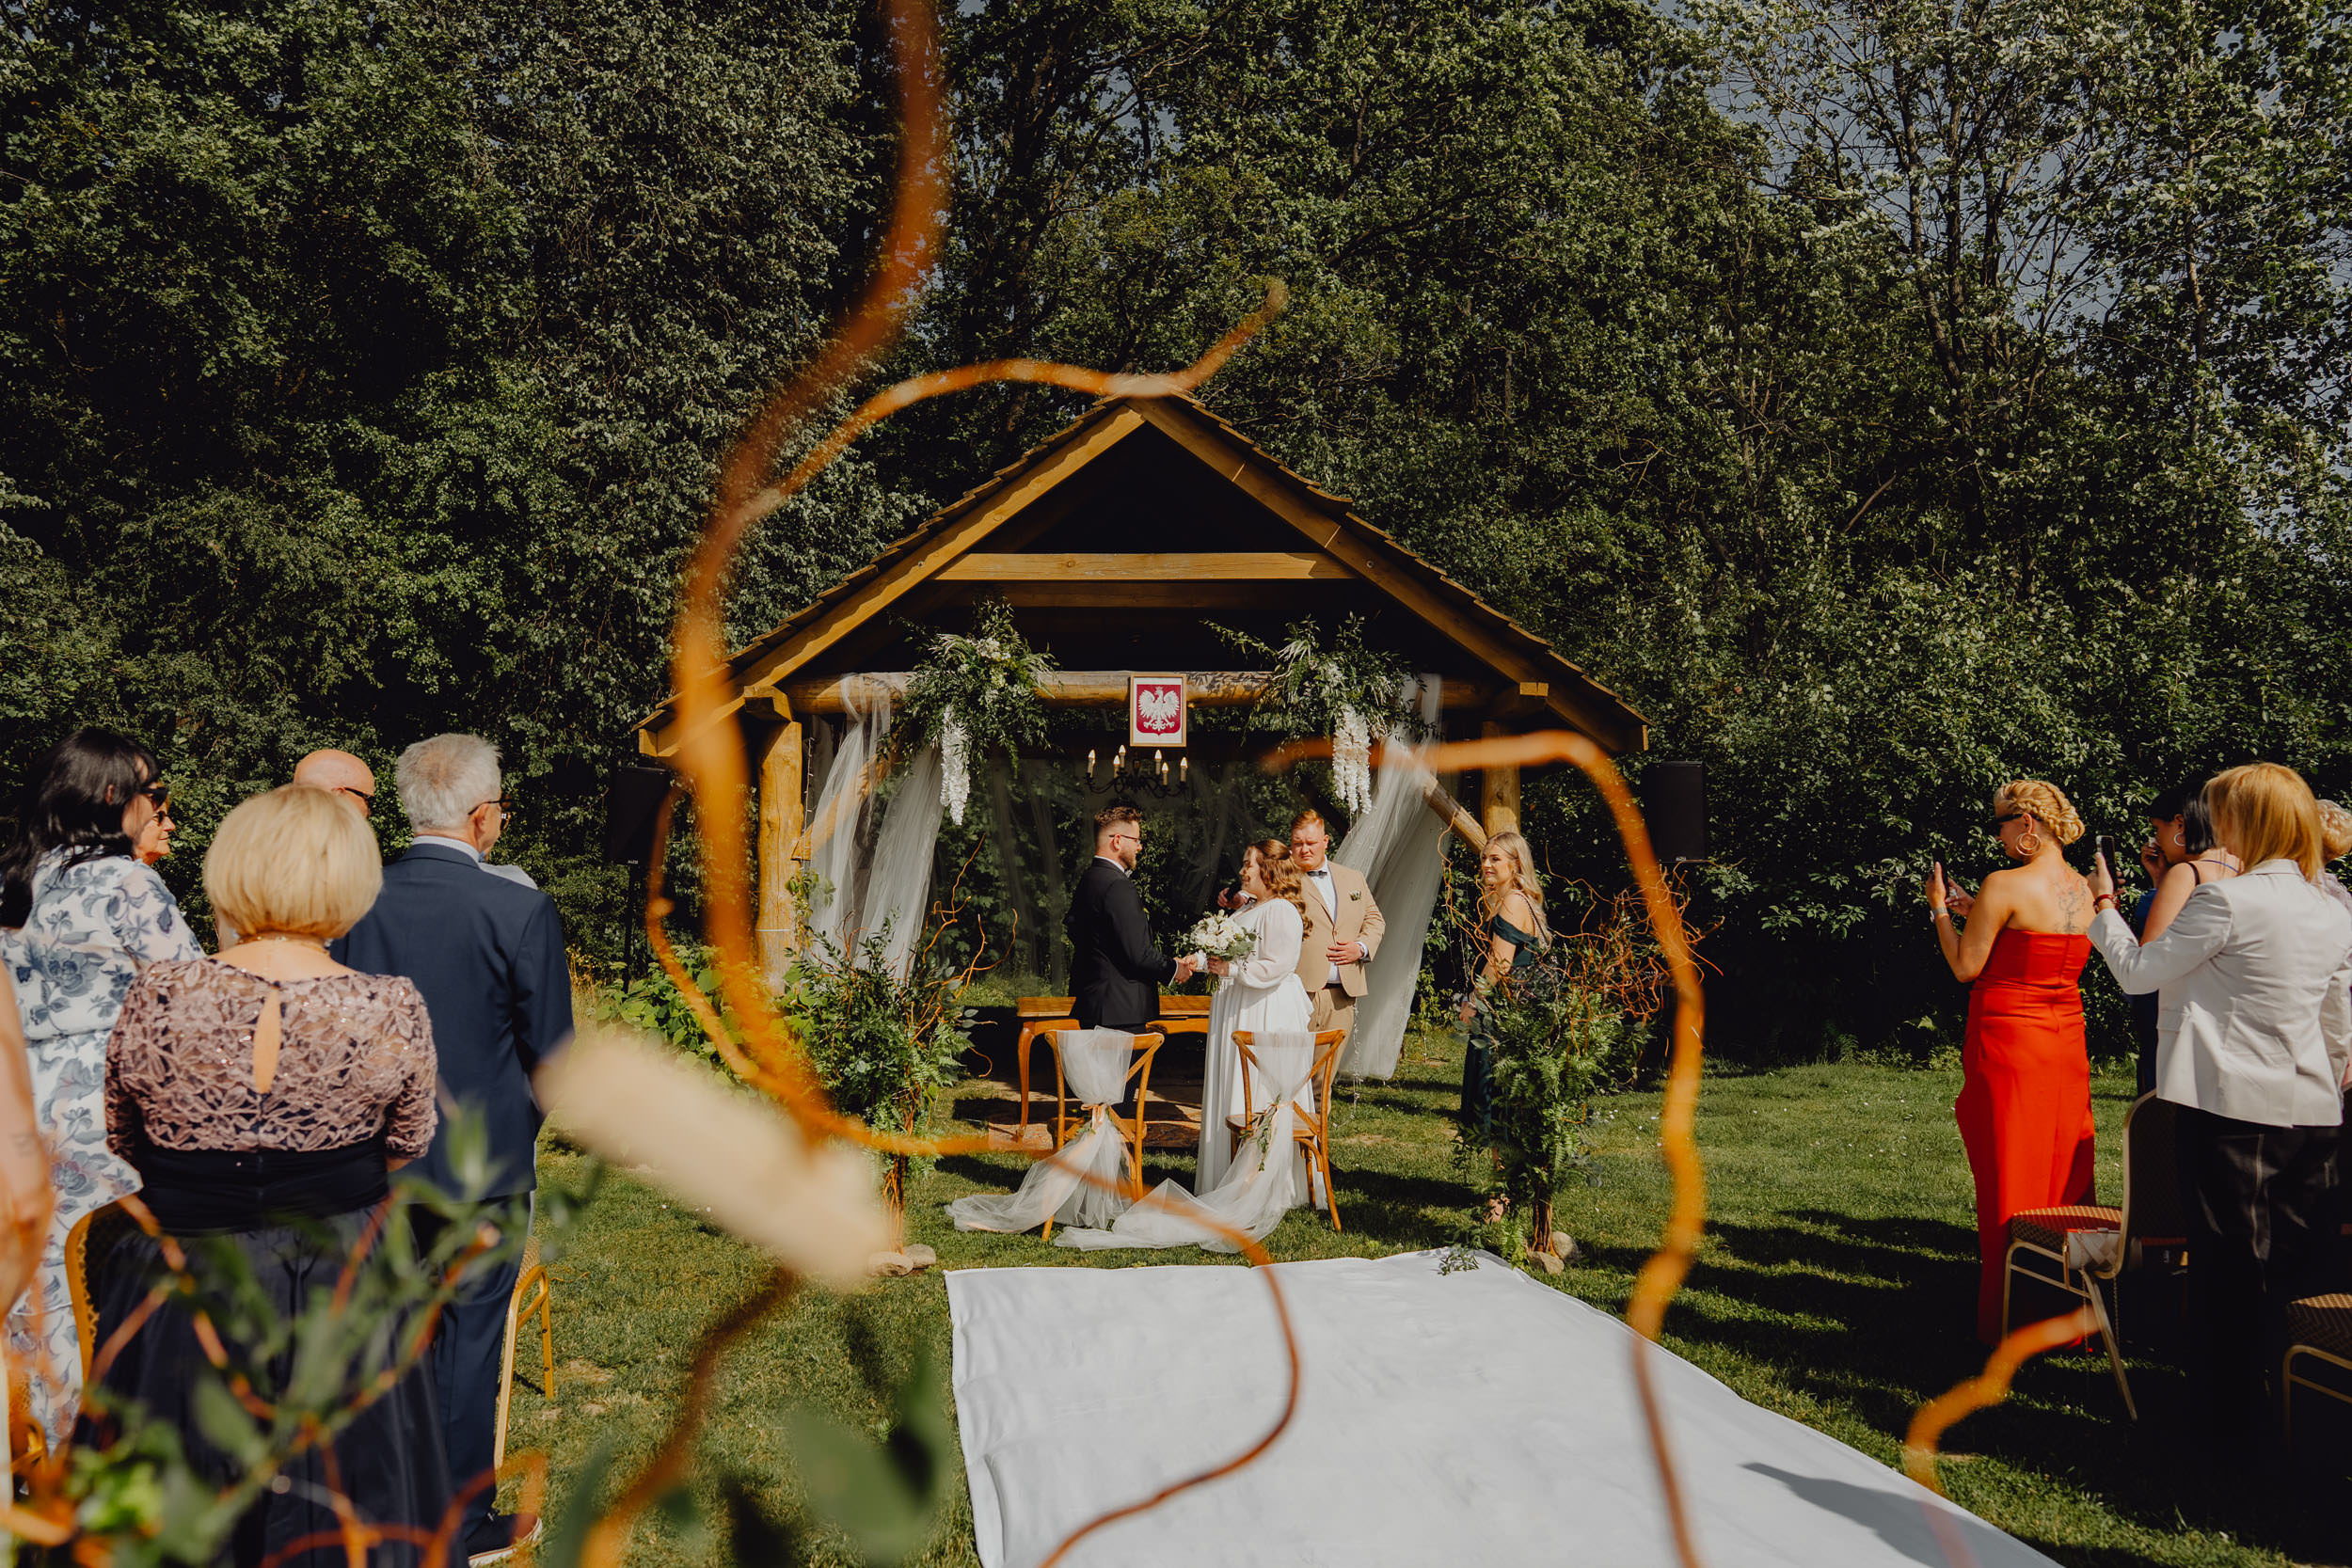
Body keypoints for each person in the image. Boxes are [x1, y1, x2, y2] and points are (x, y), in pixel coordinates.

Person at [81, 785, 448, 1563]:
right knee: (347, 1504)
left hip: (184, 1278)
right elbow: (409, 1142)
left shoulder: (158, 994)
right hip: (340, 1277)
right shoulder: (389, 1005)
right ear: (350, 879)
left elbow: (123, 1135)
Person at [333, 735, 570, 1564]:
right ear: (483, 817)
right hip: (485, 1167)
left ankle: (385, 1502)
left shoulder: (352, 904)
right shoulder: (519, 911)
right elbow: (554, 1056)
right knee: (469, 1342)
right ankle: (462, 1524)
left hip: (373, 1168)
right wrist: (516, 1130)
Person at [2086, 763, 2352, 1449]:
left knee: (2227, 1270)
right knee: (2293, 1269)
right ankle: (2304, 1415)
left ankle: (2225, 1429)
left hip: (2231, 1104)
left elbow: (2138, 972)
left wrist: (2103, 911)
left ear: (2247, 821)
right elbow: (2337, 1021)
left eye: (2223, 810)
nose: (2215, 822)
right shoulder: (2331, 905)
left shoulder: (2229, 901)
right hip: (2315, 1110)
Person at [0, 728, 199, 1439]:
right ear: (114, 796)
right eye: (156, 792)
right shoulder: (125, 883)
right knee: (115, 1293)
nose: (160, 808)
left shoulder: (18, 880)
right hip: (105, 1117)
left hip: (21, 1113)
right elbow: (192, 996)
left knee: (41, 1294)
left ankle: (46, 1455)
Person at [1926, 778, 2097, 1345]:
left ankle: (2008, 1316)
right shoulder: (2085, 888)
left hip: (2012, 1041)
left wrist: (1941, 915)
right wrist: (1980, 911)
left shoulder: (2004, 883)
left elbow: (1965, 967)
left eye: (2000, 823)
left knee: (2008, 1169)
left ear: (2027, 825)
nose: (1996, 834)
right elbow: (2038, 948)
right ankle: (2065, 1310)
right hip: (2065, 1039)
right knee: (2060, 1171)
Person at [1194, 841, 1315, 1192]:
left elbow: (1278, 965)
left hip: (1263, 1009)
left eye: (1250, 864)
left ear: (1270, 870)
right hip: (1238, 1006)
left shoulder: (1280, 910)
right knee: (1232, 1080)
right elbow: (1227, 953)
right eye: (1244, 863)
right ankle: (1227, 1176)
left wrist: (1231, 969)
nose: (1243, 870)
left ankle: (1261, 1182)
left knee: (1257, 1089)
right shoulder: (1249, 908)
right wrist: (1200, 963)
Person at [1066, 806, 1200, 1032]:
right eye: (1136, 840)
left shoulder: (1089, 880)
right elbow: (1139, 954)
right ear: (1117, 841)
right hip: (1120, 1012)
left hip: (1094, 1005)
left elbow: (1077, 933)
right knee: (1123, 1070)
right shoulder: (1118, 885)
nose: (1140, 846)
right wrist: (1175, 968)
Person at [1458, 831, 1549, 1147]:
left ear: (1516, 864)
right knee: (1508, 1099)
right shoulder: (1520, 900)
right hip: (1519, 1013)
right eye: (1484, 857)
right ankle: (1511, 1186)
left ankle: (1502, 1193)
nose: (1486, 864)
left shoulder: (1511, 901)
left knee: (1498, 1097)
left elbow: (1500, 964)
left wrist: (1472, 1001)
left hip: (1505, 1015)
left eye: (1495, 858)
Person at [1288, 810, 1384, 1037]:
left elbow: (1374, 919)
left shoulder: (1353, 878)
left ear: (1325, 842)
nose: (1305, 849)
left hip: (1343, 996)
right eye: (1297, 843)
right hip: (1298, 993)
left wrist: (1360, 948)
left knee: (1328, 1070)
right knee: (1293, 1068)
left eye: (1311, 842)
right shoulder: (1281, 879)